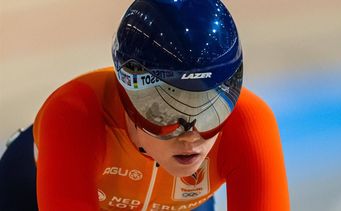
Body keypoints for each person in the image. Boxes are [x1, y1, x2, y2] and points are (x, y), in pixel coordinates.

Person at [0, 0, 290, 210]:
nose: (190, 135)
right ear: (124, 93)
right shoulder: (73, 114)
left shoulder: (250, 119)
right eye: (162, 109)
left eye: (209, 108)